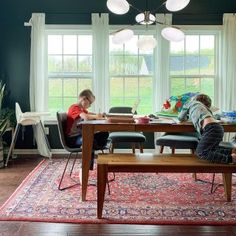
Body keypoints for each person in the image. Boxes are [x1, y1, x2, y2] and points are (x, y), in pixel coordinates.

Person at [178, 93, 236, 164]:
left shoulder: (189, 103)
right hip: (217, 128)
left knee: (201, 152)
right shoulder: (206, 110)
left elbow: (180, 118)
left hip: (211, 128)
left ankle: (231, 159)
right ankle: (232, 151)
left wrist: (186, 113)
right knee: (212, 150)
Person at [66, 89, 109, 170]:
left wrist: (99, 115)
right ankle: (86, 168)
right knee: (89, 140)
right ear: (84, 99)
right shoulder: (74, 107)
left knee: (104, 133)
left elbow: (89, 114)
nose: (90, 105)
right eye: (90, 103)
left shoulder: (82, 109)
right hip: (73, 139)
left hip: (81, 136)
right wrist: (96, 117)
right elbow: (85, 117)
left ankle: (94, 145)